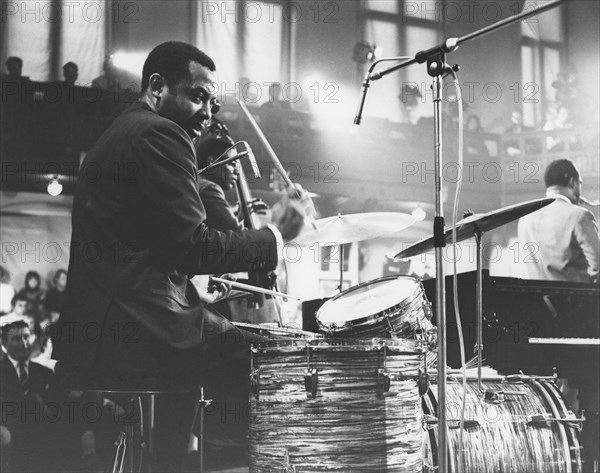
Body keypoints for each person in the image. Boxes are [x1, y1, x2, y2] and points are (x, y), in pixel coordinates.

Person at [53, 41, 314, 471]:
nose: (207, 114)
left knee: (227, 350)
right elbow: (195, 248)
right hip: (138, 330)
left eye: (213, 103)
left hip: (102, 331)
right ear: (157, 86)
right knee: (275, 362)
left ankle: (181, 458)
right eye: (197, 96)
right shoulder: (161, 133)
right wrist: (274, 236)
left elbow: (170, 245)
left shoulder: (122, 131)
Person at [518, 159, 599, 283]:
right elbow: (598, 267)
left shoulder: (524, 218)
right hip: (576, 300)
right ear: (573, 183)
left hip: (534, 300)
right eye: (580, 183)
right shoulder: (580, 216)